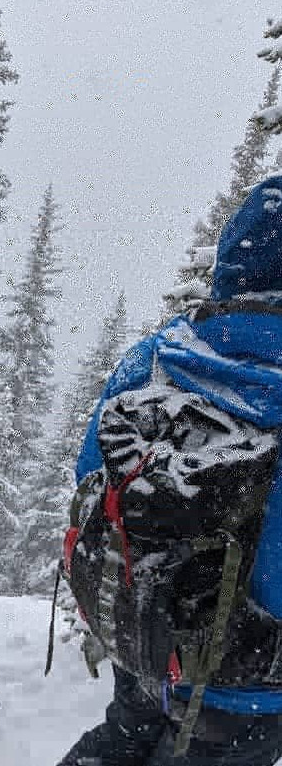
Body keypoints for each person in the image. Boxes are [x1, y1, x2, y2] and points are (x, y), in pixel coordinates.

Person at [57, 175, 282, 766]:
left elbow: (92, 478)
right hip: (251, 675)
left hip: (149, 628)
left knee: (124, 738)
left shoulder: (158, 355)